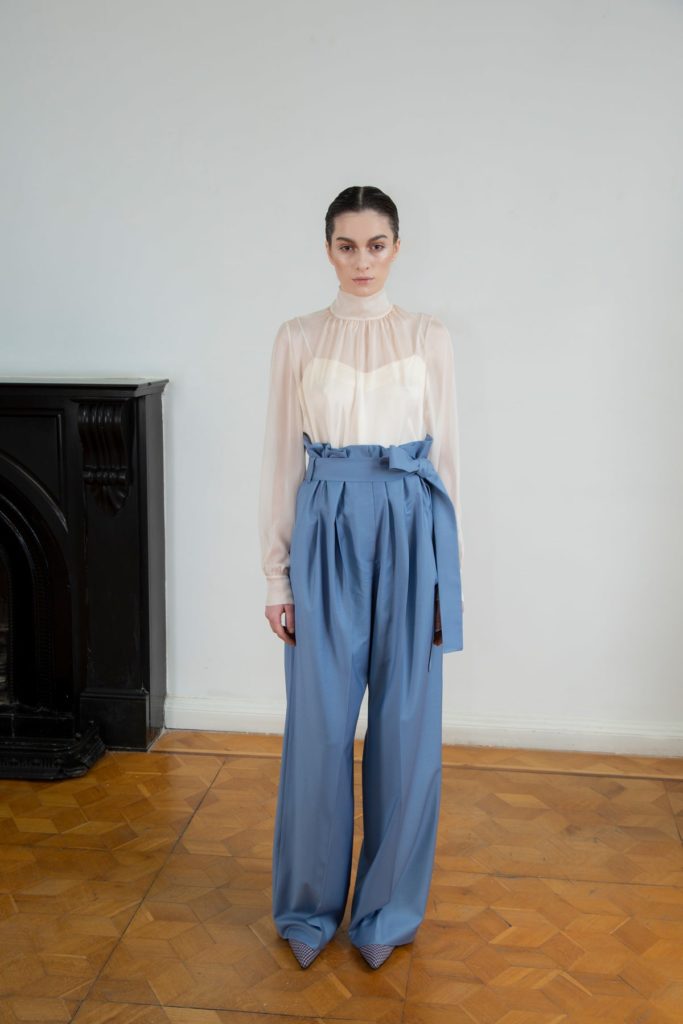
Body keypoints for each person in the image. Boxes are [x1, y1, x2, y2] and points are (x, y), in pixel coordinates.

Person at [258, 185, 464, 971]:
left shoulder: (427, 336)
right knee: (317, 727)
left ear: (396, 248)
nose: (361, 261)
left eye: (375, 245)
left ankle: (384, 911)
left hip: (411, 527)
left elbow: (448, 460)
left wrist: (446, 581)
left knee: (406, 727)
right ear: (328, 250)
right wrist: (276, 577)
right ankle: (308, 908)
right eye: (346, 246)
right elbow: (280, 457)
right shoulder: (297, 337)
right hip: (326, 527)